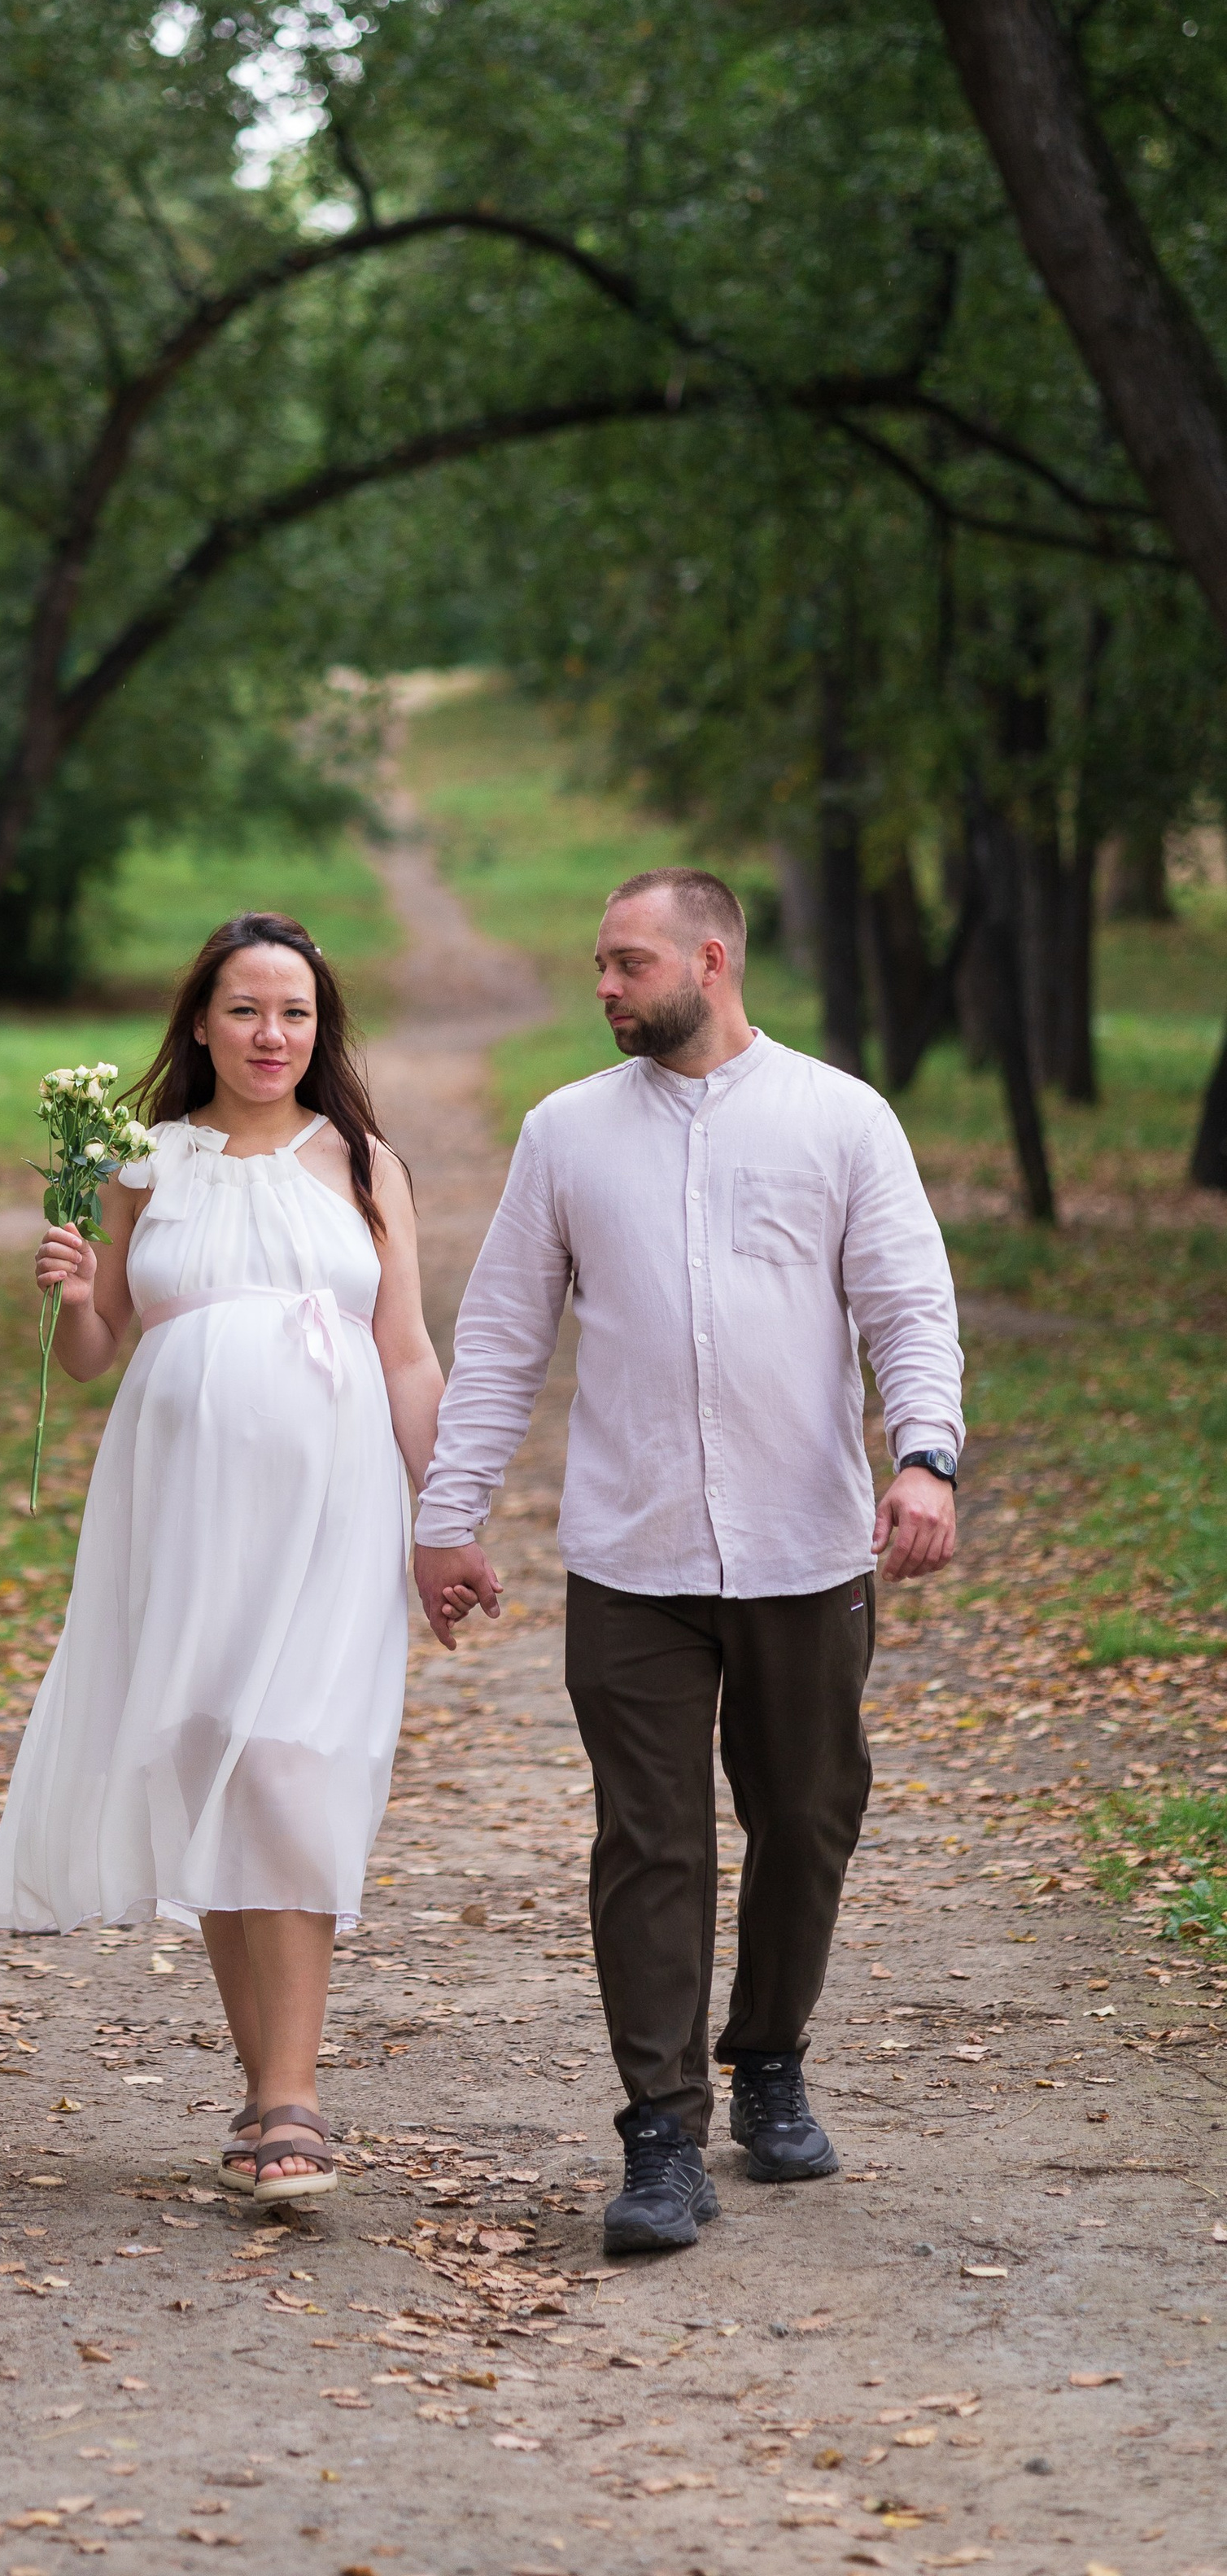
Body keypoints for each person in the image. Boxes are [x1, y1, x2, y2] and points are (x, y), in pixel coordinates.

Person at [412, 868, 963, 2257]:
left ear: (710, 961)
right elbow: (500, 1341)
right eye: (598, 962)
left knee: (808, 1815)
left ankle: (767, 2057)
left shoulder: (841, 1118)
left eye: (626, 963)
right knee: (648, 1845)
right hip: (632, 1556)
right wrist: (449, 1514)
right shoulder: (565, 1135)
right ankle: (660, 2136)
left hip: (804, 1545)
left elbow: (906, 1304)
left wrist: (924, 1458)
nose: (603, 985)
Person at [0, 912, 443, 2201]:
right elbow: (94, 1354)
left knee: (293, 1763)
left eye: (293, 1013)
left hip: (334, 1508)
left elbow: (404, 1350)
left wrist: (444, 1514)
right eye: (245, 1010)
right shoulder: (145, 1163)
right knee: (214, 1759)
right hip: (179, 1507)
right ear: (201, 1022)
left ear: (319, 1028)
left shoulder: (363, 1165)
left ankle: (293, 2098)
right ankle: (265, 2095)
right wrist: (73, 1292)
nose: (270, 1035)